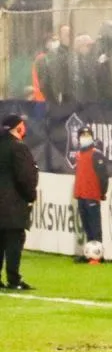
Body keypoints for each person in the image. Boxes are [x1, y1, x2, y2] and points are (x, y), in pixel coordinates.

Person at [1, 114, 37, 291]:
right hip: (13, 204)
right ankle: (13, 279)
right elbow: (25, 177)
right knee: (14, 241)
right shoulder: (18, 148)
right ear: (18, 128)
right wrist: (30, 196)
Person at [71, 127, 109, 265]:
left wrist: (102, 192)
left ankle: (98, 256)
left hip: (92, 195)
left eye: (88, 134)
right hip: (81, 195)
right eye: (83, 134)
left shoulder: (96, 154)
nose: (85, 137)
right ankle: (90, 254)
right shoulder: (79, 154)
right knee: (87, 227)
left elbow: (103, 176)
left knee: (95, 227)